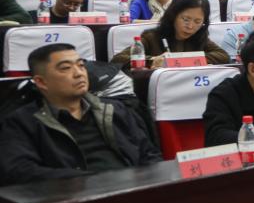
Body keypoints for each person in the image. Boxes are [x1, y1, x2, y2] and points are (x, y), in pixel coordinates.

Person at [0, 44, 162, 185]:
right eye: (65, 68)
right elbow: (20, 171)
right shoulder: (22, 122)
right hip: (70, 199)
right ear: (41, 82)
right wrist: (90, 181)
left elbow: (149, 154)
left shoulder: (115, 109)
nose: (79, 73)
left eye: (81, 65)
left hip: (132, 193)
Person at [112, 0, 229, 68]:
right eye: (186, 19)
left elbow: (223, 56)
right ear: (173, 15)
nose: (190, 26)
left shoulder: (199, 37)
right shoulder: (152, 37)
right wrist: (151, 60)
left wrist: (186, 60)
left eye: (198, 22)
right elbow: (118, 59)